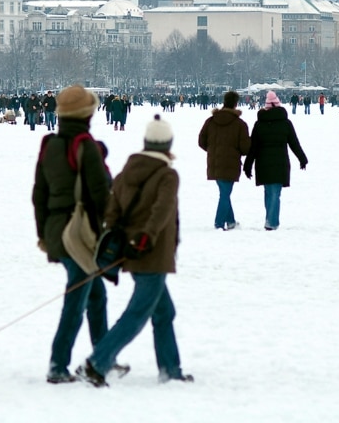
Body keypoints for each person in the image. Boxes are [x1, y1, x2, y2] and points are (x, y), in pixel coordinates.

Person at [78, 115, 191, 387]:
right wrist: (146, 237)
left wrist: (119, 238)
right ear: (168, 144)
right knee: (137, 314)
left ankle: (170, 369)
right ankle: (97, 363)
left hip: (131, 250)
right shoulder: (167, 174)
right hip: (150, 252)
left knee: (164, 313)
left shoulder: (128, 170)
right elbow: (161, 211)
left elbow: (112, 210)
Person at [32, 85, 113, 384]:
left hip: (55, 227)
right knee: (77, 298)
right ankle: (58, 364)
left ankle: (103, 355)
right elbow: (101, 195)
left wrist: (43, 232)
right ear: (87, 113)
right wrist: (112, 229)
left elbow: (38, 193)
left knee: (95, 295)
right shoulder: (86, 146)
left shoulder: (49, 144)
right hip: (79, 231)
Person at [243, 91, 307, 231]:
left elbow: (253, 147)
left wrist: (248, 166)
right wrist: (302, 158)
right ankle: (271, 221)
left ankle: (269, 219)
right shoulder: (285, 123)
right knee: (275, 193)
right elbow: (294, 143)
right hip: (280, 162)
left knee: (268, 192)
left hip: (263, 163)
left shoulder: (259, 124)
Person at [198, 91, 250, 231]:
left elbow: (201, 141)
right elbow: (245, 148)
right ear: (236, 103)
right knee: (225, 194)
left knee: (224, 192)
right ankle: (219, 223)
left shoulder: (210, 121)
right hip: (231, 163)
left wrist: (213, 151)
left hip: (215, 162)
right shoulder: (239, 124)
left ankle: (231, 221)